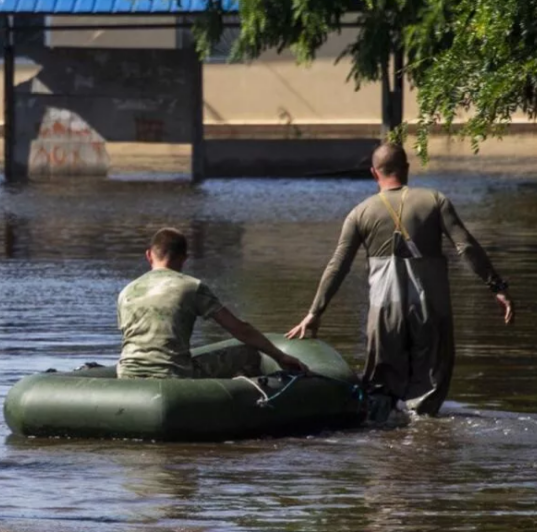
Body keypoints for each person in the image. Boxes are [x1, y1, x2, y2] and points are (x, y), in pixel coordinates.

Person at [286, 143, 514, 418]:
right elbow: (465, 247)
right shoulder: (434, 200)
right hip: (430, 309)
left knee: (380, 390)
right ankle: (422, 439)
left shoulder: (360, 213)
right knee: (428, 388)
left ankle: (387, 444)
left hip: (384, 312)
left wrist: (314, 312)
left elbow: (338, 265)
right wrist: (497, 286)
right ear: (407, 168)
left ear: (373, 173)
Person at [117, 228, 308, 379]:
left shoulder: (127, 292)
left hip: (126, 374)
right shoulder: (191, 287)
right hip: (174, 375)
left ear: (149, 255)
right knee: (249, 353)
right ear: (184, 258)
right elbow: (240, 330)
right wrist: (279, 356)